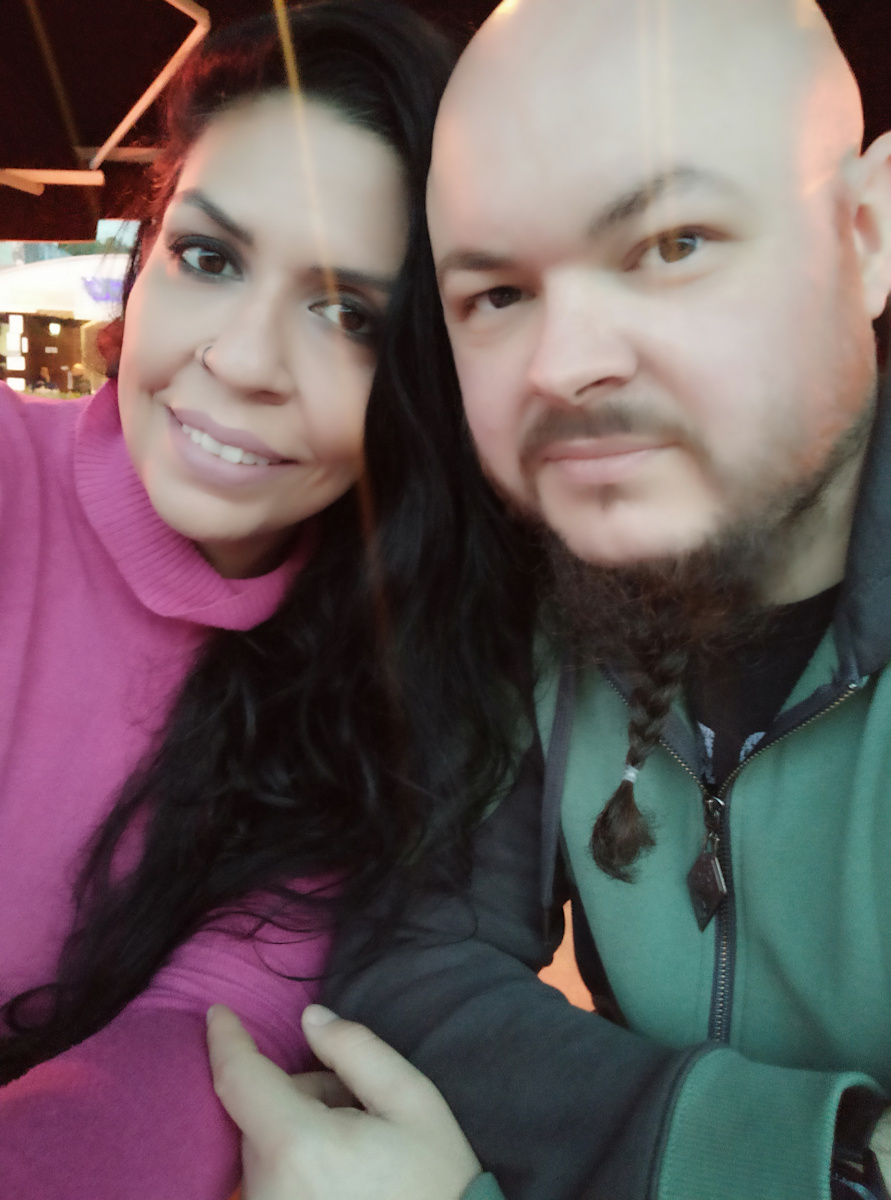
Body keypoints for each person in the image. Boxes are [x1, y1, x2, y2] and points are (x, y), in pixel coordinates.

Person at [204, 1, 891, 1198]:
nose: (564, 365)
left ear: (870, 231)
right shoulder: (534, 599)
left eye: (672, 243)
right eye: (497, 296)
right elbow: (414, 965)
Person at [0, 3, 459, 1197]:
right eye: (209, 258)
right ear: (145, 253)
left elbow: (196, 1049)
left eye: (349, 315)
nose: (245, 360)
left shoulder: (382, 681)